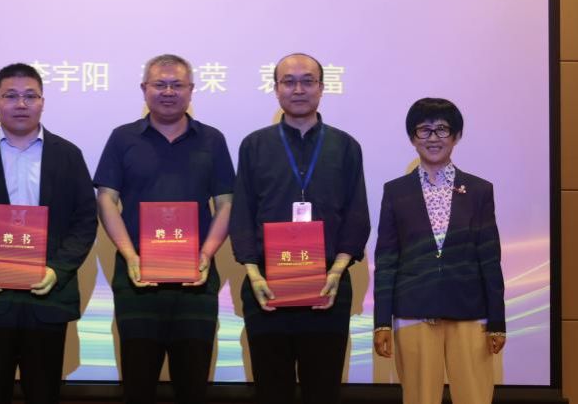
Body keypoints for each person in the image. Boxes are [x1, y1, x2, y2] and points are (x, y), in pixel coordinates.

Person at [0, 63, 97, 404]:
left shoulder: (68, 155)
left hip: (48, 295)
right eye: (10, 96)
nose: (20, 104)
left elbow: (85, 220)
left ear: (42, 102)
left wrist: (58, 270)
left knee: (44, 393)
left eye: (30, 96)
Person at [229, 52, 370, 404]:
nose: (298, 89)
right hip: (266, 288)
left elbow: (356, 214)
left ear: (321, 87)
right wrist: (253, 273)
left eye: (308, 81)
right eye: (288, 82)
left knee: (322, 390)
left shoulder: (345, 146)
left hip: (327, 286)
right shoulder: (254, 145)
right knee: (270, 390)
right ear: (275, 88)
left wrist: (337, 270)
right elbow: (242, 212)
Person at [95, 54, 235, 404]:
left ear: (191, 90)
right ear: (144, 89)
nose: (168, 92)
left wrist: (207, 254)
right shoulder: (122, 138)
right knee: (138, 385)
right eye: (160, 84)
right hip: (137, 280)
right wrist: (130, 255)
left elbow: (226, 203)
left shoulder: (212, 139)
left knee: (193, 386)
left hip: (196, 282)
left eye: (177, 85)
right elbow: (106, 198)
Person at [373, 98, 505, 404]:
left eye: (442, 129)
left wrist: (497, 321)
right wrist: (382, 321)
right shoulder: (396, 191)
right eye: (424, 130)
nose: (433, 138)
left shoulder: (479, 190)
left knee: (475, 397)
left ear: (456, 136)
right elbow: (387, 260)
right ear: (412, 137)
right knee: (419, 398)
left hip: (470, 312)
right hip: (413, 310)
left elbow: (489, 257)